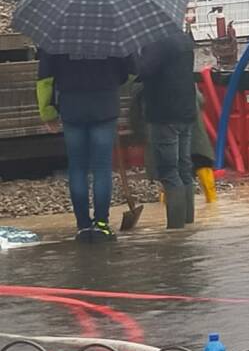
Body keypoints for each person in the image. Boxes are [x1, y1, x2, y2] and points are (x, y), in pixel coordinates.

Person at [36, 50, 134, 241]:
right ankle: (101, 224)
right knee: (102, 167)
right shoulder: (112, 31)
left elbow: (45, 78)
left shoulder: (57, 36)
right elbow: (131, 72)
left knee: (77, 167)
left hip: (72, 106)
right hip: (105, 104)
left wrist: (47, 112)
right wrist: (112, 82)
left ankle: (82, 226)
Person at [135, 29, 197, 229]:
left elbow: (142, 70)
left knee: (169, 171)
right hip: (186, 110)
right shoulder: (183, 37)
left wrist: (132, 53)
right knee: (184, 168)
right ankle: (188, 224)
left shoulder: (158, 41)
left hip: (164, 114)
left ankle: (176, 230)